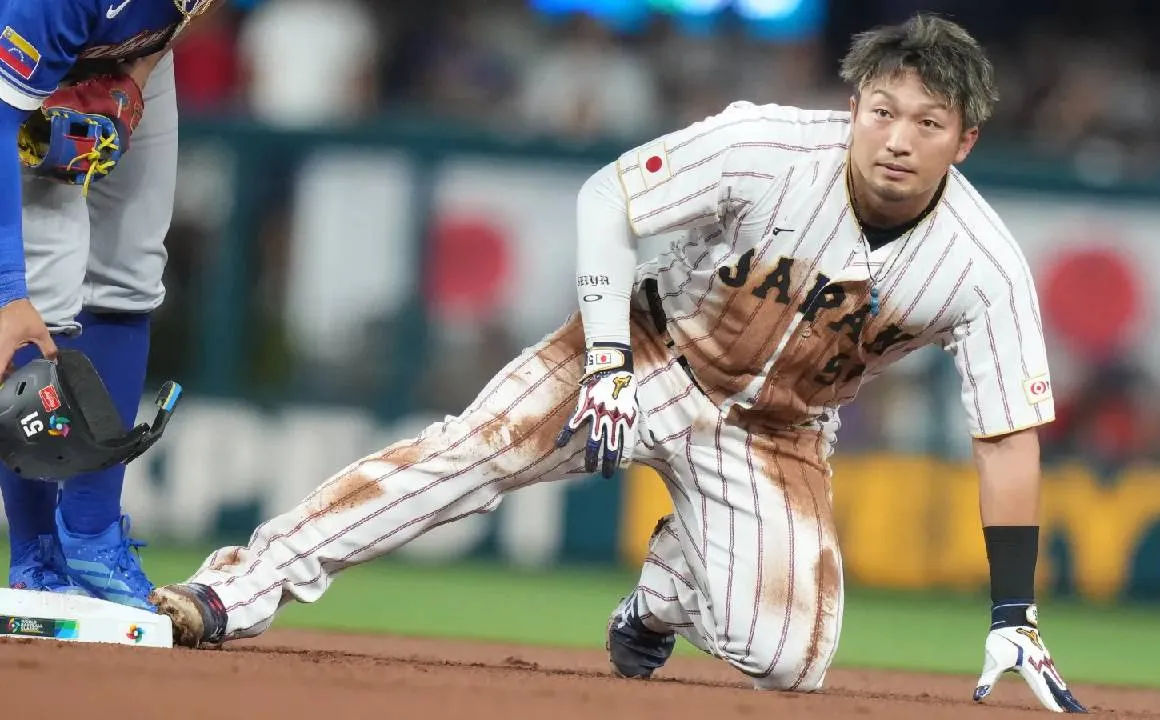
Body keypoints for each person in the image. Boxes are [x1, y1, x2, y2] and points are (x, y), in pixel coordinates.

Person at [151, 14, 1086, 712]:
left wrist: (1014, 612)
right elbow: (609, 198)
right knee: (471, 453)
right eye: (882, 111)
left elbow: (1006, 436)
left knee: (793, 661)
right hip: (645, 347)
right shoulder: (764, 145)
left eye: (928, 122)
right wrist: (604, 363)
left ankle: (664, 593)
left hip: (776, 431)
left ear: (965, 140)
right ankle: (231, 591)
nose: (898, 137)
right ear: (855, 109)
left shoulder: (982, 265)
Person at [0, 0, 218, 609]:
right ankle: (37, 555)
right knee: (39, 295)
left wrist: (133, 82)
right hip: (23, 65)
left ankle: (93, 538)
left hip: (133, 51)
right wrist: (7, 291)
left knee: (131, 273)